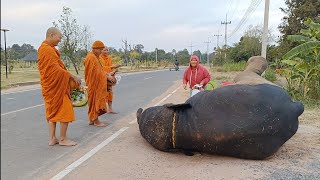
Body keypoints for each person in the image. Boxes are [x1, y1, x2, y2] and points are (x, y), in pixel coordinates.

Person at [38, 27, 81, 146]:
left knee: (52, 112)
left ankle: (52, 139)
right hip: (55, 87)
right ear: (51, 35)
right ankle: (62, 139)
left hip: (51, 87)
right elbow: (55, 69)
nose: (60, 40)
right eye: (59, 37)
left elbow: (54, 69)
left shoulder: (47, 49)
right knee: (65, 111)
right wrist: (72, 76)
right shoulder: (46, 49)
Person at [84, 40, 113, 127]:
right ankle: (96, 121)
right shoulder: (92, 58)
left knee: (92, 103)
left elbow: (99, 70)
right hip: (94, 84)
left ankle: (91, 119)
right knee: (95, 102)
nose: (101, 52)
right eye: (100, 50)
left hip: (93, 83)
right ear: (95, 49)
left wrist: (107, 74)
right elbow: (97, 73)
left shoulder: (93, 56)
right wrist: (107, 77)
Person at [99, 46, 121, 114]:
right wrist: (113, 67)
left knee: (110, 94)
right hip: (103, 78)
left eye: (107, 50)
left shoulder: (109, 58)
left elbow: (110, 68)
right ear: (101, 51)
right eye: (104, 50)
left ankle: (110, 109)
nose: (106, 51)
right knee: (103, 94)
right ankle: (102, 108)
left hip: (109, 77)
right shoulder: (99, 58)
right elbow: (101, 68)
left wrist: (114, 71)